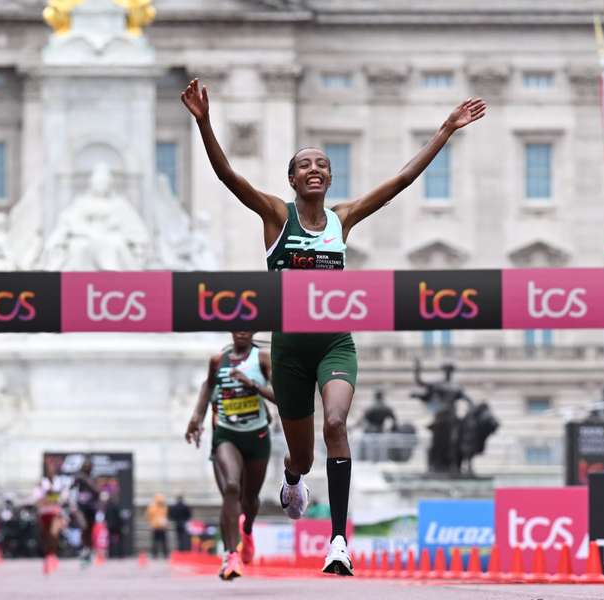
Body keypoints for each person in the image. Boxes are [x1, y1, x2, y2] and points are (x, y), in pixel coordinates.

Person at [182, 78, 486, 575]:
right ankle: (294, 477)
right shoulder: (276, 217)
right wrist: (204, 123)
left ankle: (339, 541)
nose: (316, 169)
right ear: (293, 180)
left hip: (335, 344)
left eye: (323, 164)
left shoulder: (342, 220)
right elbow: (227, 176)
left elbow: (402, 181)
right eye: (306, 165)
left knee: (337, 423)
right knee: (301, 456)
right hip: (289, 353)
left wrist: (446, 130)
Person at [185, 331, 274, 580]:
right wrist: (196, 417)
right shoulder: (218, 361)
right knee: (231, 488)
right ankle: (230, 556)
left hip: (256, 437)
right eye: (237, 328)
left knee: (250, 499)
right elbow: (208, 386)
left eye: (247, 328)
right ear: (231, 331)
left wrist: (252, 384)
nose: (242, 332)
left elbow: (281, 398)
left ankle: (246, 529)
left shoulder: (263, 359)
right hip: (226, 435)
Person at [70, 458, 99, 566]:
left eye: (89, 467)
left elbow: (97, 491)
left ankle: (88, 549)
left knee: (89, 530)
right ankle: (84, 548)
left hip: (91, 507)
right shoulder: (79, 477)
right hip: (81, 507)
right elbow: (71, 487)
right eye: (86, 466)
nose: (87, 468)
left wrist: (86, 480)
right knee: (83, 526)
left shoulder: (92, 478)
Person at [146, 493, 170, 558]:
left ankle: (155, 554)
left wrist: (151, 523)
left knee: (155, 541)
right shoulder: (164, 507)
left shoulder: (152, 507)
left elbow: (148, 516)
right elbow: (166, 516)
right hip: (162, 526)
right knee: (163, 542)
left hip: (155, 526)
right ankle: (165, 554)